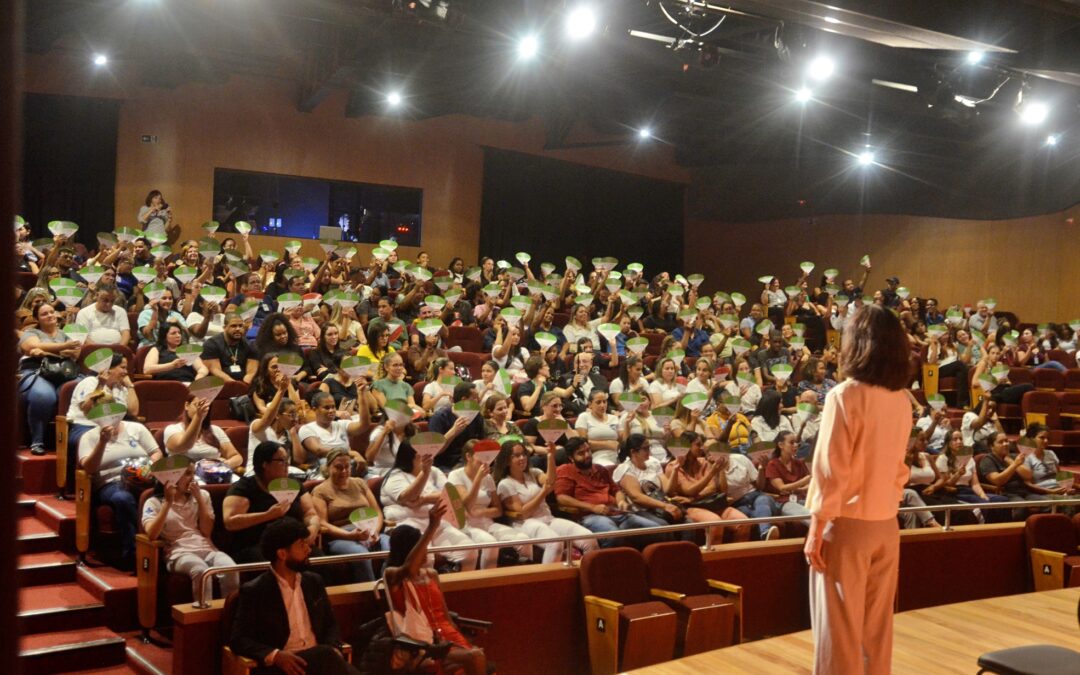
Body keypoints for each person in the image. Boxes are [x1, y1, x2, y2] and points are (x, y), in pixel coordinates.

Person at [804, 303, 915, 674]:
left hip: (847, 525)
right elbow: (900, 469)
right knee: (876, 631)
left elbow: (830, 470)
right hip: (887, 524)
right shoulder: (901, 400)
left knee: (838, 630)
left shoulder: (845, 396)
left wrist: (817, 527)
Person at [228, 517, 359, 675]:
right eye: (301, 545)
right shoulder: (255, 590)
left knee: (327, 655)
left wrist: (333, 647)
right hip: (285, 667)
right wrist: (276, 656)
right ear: (282, 554)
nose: (308, 550)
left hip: (321, 661)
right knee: (327, 656)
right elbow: (239, 639)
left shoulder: (314, 582)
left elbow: (330, 624)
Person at [383, 504, 487, 675]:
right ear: (409, 551)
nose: (426, 551)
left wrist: (459, 640)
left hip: (448, 638)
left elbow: (446, 617)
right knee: (475, 657)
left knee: (474, 656)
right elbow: (409, 568)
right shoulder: (392, 575)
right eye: (421, 547)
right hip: (422, 644)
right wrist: (432, 527)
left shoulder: (431, 574)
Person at [142, 464, 240, 598]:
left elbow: (206, 531)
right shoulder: (153, 502)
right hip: (177, 553)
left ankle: (230, 614)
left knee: (231, 569)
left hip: (207, 549)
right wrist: (167, 503)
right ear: (172, 477)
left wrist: (199, 499)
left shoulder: (203, 495)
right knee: (200, 571)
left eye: (194, 474)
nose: (192, 479)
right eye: (187, 474)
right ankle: (204, 617)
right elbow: (152, 534)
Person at [78, 413, 163, 569]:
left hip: (142, 478)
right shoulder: (88, 437)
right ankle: (134, 554)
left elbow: (156, 453)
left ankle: (164, 548)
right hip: (110, 483)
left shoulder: (136, 428)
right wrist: (102, 442)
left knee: (166, 491)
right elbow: (89, 468)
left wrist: (149, 467)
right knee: (122, 498)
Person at [379, 441, 479, 572]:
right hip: (408, 526)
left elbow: (451, 494)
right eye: (423, 455)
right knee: (426, 558)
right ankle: (425, 589)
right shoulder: (395, 476)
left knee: (469, 551)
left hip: (436, 522)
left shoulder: (434, 471)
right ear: (412, 457)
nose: (429, 457)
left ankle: (459, 588)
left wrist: (425, 499)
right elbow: (408, 498)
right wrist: (424, 474)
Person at [495, 438, 597, 563]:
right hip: (525, 523)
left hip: (548, 518)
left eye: (523, 454)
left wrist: (550, 456)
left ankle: (585, 577)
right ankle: (547, 581)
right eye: (516, 456)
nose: (522, 458)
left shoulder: (533, 473)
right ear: (506, 460)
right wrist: (543, 492)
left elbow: (550, 481)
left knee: (589, 538)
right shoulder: (505, 484)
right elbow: (523, 513)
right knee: (555, 543)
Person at [554, 438, 669, 548]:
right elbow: (562, 498)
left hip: (616, 512)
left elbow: (616, 490)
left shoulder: (600, 469)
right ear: (571, 458)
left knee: (658, 530)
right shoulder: (565, 470)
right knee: (613, 535)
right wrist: (592, 507)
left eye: (588, 450)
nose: (587, 455)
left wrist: (621, 501)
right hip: (590, 515)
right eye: (581, 453)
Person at [222, 441, 322, 563]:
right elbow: (230, 522)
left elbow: (310, 513)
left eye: (287, 460)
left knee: (328, 565)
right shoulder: (244, 488)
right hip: (258, 545)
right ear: (265, 464)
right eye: (282, 461)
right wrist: (268, 515)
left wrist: (313, 528)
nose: (287, 465)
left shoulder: (292, 483)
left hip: (294, 543)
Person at [447, 441, 532, 568]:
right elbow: (466, 504)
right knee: (490, 543)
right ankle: (486, 582)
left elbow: (498, 510)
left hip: (488, 523)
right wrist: (477, 480)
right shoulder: (456, 475)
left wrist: (482, 512)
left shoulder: (488, 478)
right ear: (468, 457)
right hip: (467, 525)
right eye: (479, 456)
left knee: (524, 540)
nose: (484, 460)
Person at [311, 448, 390, 583]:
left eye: (347, 467)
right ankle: (371, 594)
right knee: (361, 555)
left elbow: (377, 511)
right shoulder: (320, 491)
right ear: (328, 467)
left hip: (368, 530)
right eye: (338, 467)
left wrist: (375, 531)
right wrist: (350, 535)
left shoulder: (359, 482)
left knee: (391, 546)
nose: (344, 471)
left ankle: (388, 587)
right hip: (341, 536)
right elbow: (322, 523)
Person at [18, 302, 81, 454]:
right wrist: (63, 348)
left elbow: (76, 354)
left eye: (52, 312)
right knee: (44, 395)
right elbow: (31, 347)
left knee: (78, 389)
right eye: (44, 314)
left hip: (63, 374)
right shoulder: (31, 332)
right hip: (36, 371)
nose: (50, 315)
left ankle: (74, 440)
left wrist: (45, 350)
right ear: (37, 318)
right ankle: (37, 441)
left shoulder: (64, 335)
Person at [164, 396, 243, 471]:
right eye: (198, 405)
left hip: (213, 476)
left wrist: (223, 465)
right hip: (185, 477)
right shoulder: (172, 429)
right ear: (187, 405)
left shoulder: (215, 430)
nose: (202, 409)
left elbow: (236, 457)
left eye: (205, 407)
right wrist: (198, 417)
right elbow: (184, 446)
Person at [299, 391, 370, 473]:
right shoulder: (307, 428)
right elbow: (318, 450)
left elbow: (364, 425)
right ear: (315, 410)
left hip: (348, 467)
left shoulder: (341, 424)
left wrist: (361, 395)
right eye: (327, 408)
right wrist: (351, 454)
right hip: (323, 471)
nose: (331, 410)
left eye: (333, 407)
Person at [200, 313, 256, 384]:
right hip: (220, 384)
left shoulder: (250, 345)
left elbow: (252, 371)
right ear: (224, 327)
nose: (238, 329)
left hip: (244, 384)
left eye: (240, 326)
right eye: (233, 326)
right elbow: (215, 371)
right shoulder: (211, 344)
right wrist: (235, 385)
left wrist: (245, 384)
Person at [574, 390, 624, 467]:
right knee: (610, 467)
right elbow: (583, 443)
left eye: (604, 402)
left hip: (618, 454)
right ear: (590, 404)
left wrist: (627, 423)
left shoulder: (614, 418)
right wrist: (608, 444)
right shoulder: (584, 417)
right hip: (598, 455)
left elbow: (623, 440)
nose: (602, 405)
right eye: (598, 402)